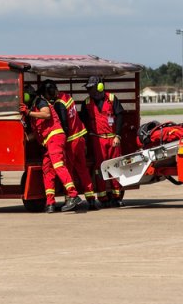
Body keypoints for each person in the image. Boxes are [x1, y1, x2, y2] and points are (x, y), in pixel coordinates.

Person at [20, 84, 83, 213]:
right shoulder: (33, 110)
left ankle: (73, 195)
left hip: (54, 137)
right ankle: (50, 203)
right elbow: (36, 133)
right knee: (47, 170)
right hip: (48, 142)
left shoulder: (40, 101)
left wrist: (28, 112)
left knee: (58, 165)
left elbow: (47, 114)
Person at [40, 80, 101, 211]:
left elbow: (64, 124)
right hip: (80, 137)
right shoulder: (67, 97)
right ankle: (91, 199)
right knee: (83, 170)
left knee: (68, 170)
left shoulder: (58, 104)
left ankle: (70, 199)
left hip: (71, 141)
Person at [80, 76, 125, 207]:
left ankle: (117, 197)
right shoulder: (87, 103)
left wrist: (118, 136)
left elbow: (120, 116)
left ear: (99, 87)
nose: (89, 91)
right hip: (97, 139)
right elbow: (82, 122)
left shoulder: (111, 99)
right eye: (88, 88)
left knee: (115, 166)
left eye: (91, 88)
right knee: (100, 169)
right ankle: (103, 197)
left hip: (112, 139)